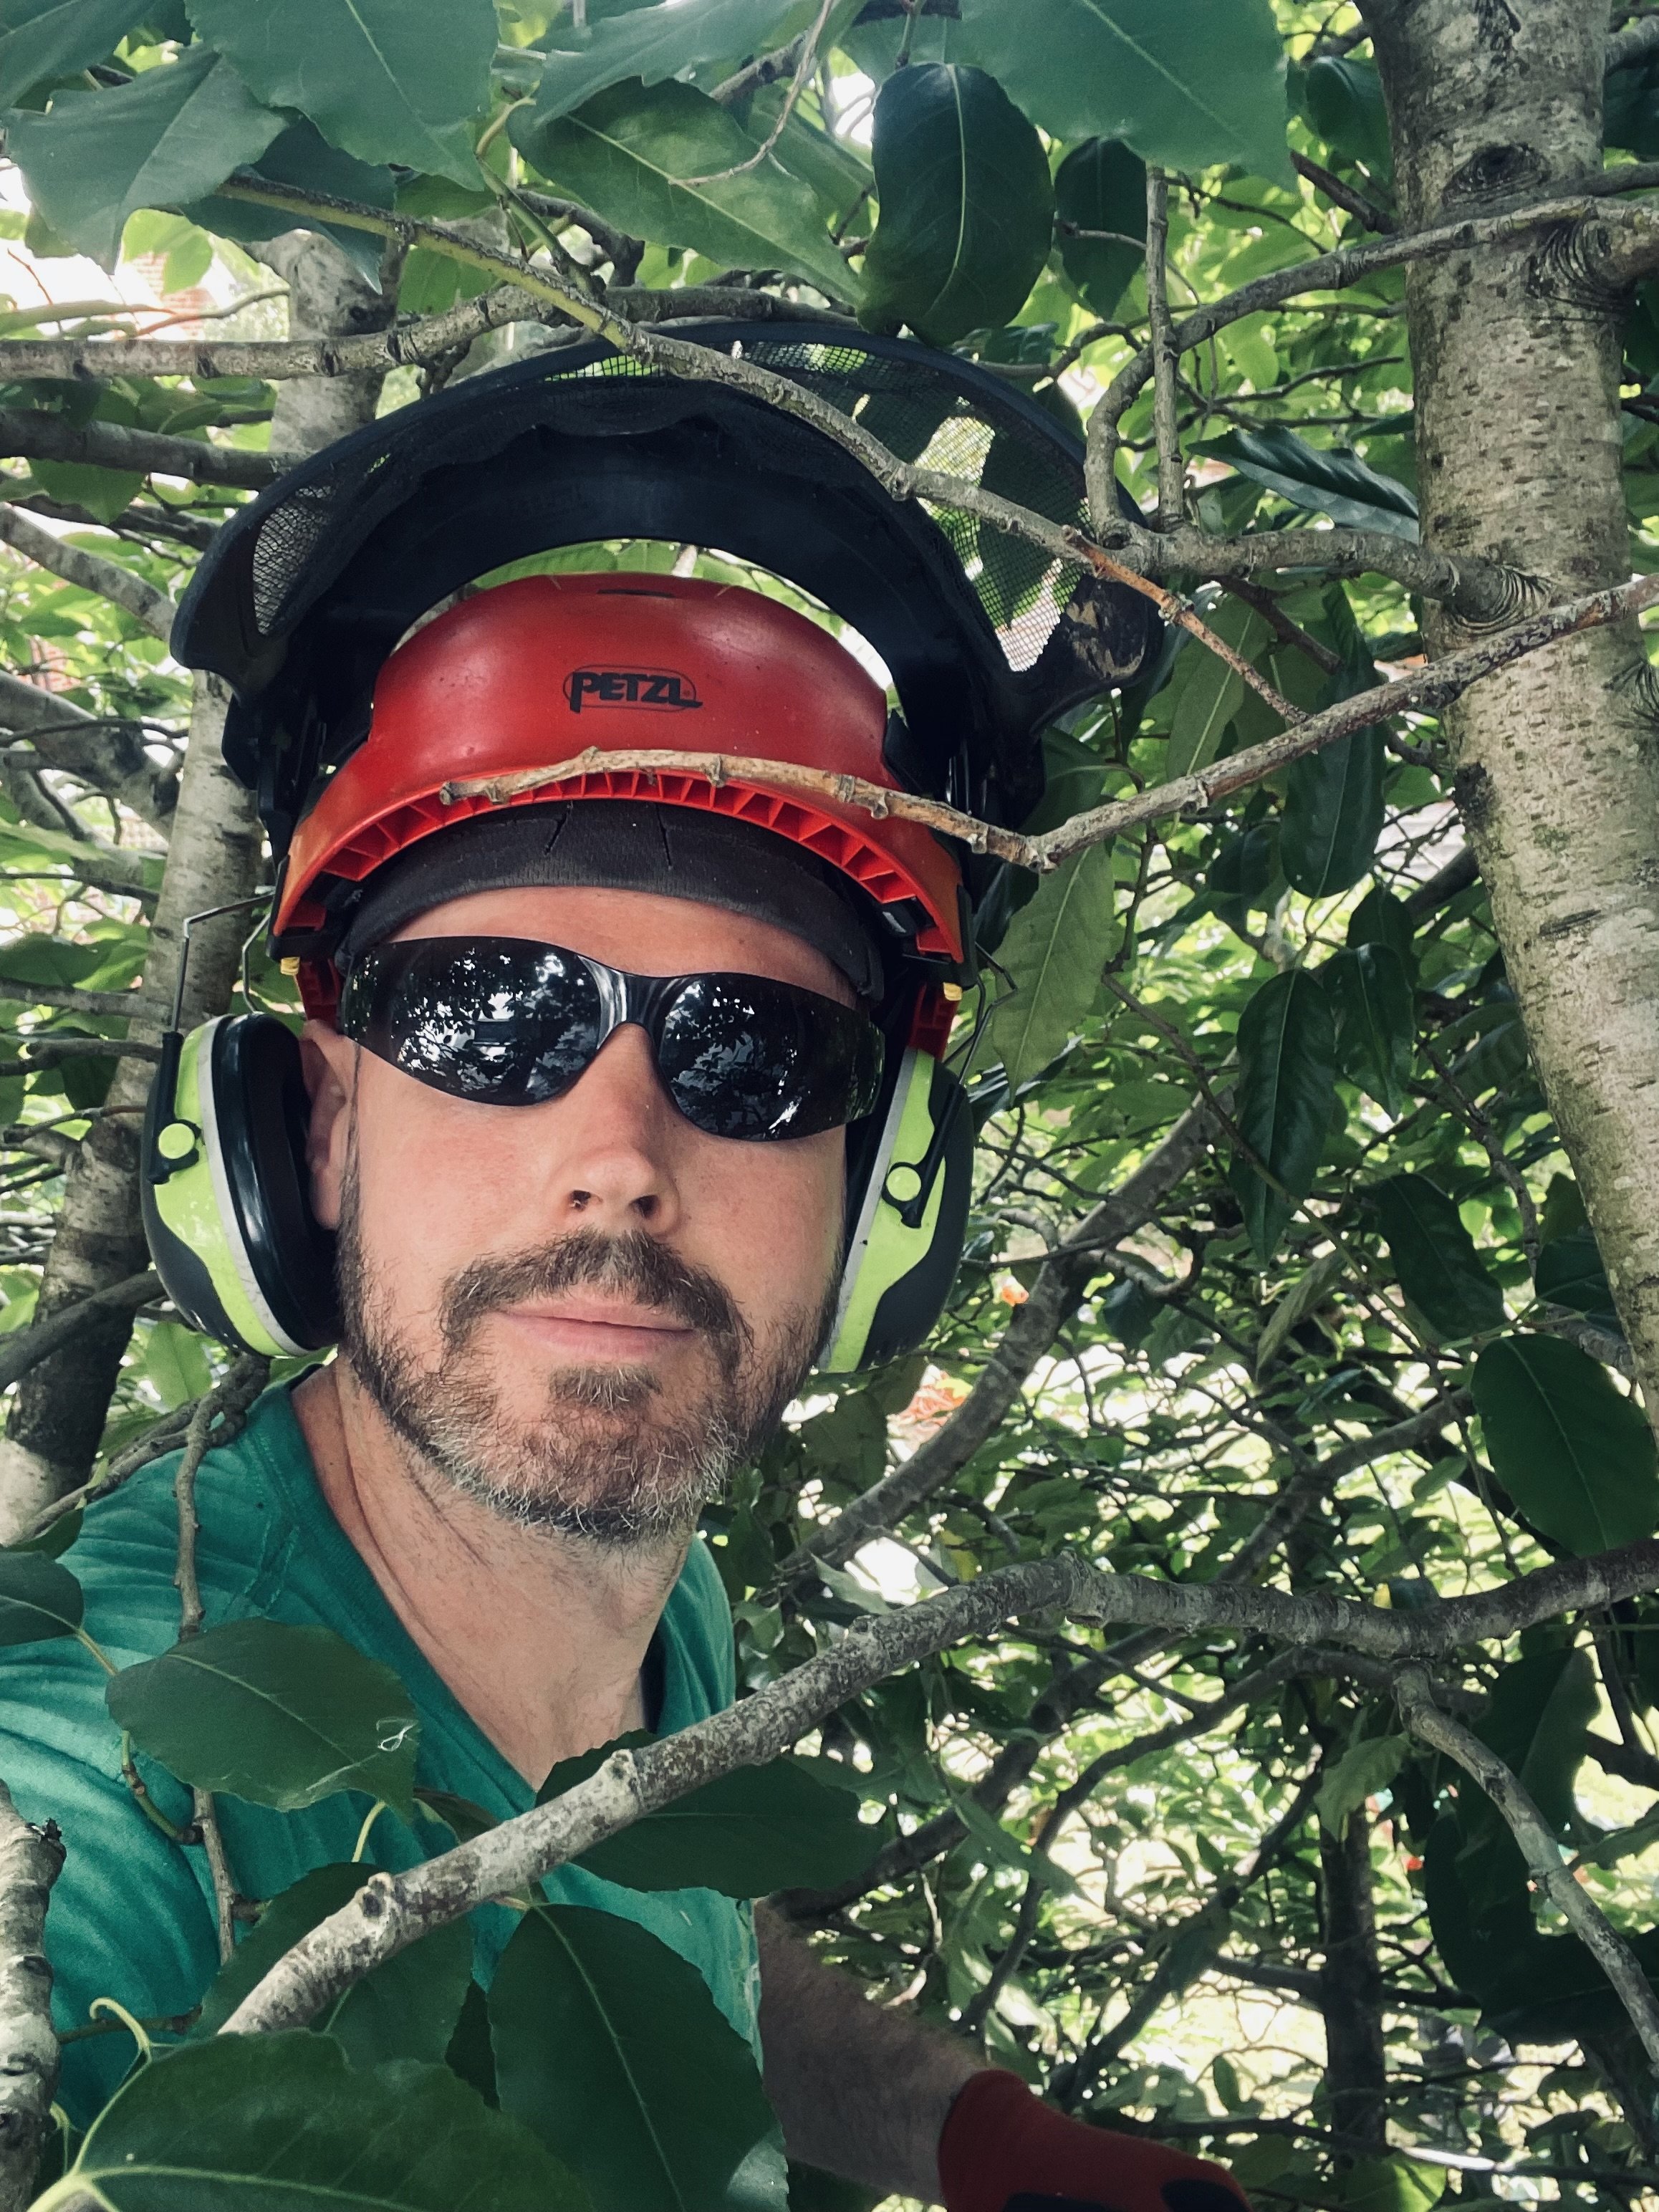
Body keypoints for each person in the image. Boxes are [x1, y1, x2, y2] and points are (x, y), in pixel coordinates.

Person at [0, 453, 1249, 2212]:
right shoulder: (96, 1776)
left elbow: (654, 1916)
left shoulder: (655, 1579)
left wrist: (976, 2133)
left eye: (754, 1052)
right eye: (492, 1020)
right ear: (320, 1133)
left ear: (877, 1187)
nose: (619, 1160)